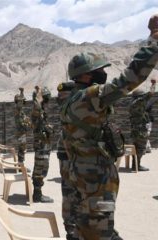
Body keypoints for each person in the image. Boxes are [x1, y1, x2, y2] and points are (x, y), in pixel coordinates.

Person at [60, 14, 158, 240]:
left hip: (85, 178)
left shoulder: (71, 99)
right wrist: (152, 43)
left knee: (97, 224)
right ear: (85, 75)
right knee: (99, 229)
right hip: (95, 181)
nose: (103, 73)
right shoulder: (90, 97)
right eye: (99, 70)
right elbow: (127, 81)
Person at [56, 82, 78, 239]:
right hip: (70, 153)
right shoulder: (73, 105)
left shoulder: (67, 104)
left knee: (68, 191)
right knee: (71, 192)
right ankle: (71, 231)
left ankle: (71, 230)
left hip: (67, 152)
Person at [30, 86, 54, 203]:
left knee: (42, 168)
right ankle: (37, 194)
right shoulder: (37, 111)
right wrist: (38, 97)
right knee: (40, 168)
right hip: (41, 146)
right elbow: (36, 108)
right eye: (47, 100)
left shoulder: (42, 113)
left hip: (44, 144)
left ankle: (38, 192)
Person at [129, 80, 156, 171]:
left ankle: (135, 165)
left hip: (135, 129)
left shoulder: (132, 104)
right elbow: (150, 94)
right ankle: (137, 166)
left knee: (136, 147)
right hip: (141, 130)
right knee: (140, 148)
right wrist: (153, 84)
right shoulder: (139, 102)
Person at [14, 87, 30, 163]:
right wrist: (22, 92)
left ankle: (21, 164)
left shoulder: (20, 110)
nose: (23, 102)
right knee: (22, 149)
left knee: (22, 149)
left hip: (22, 132)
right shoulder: (18, 109)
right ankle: (21, 165)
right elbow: (20, 102)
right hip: (20, 133)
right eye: (22, 101)